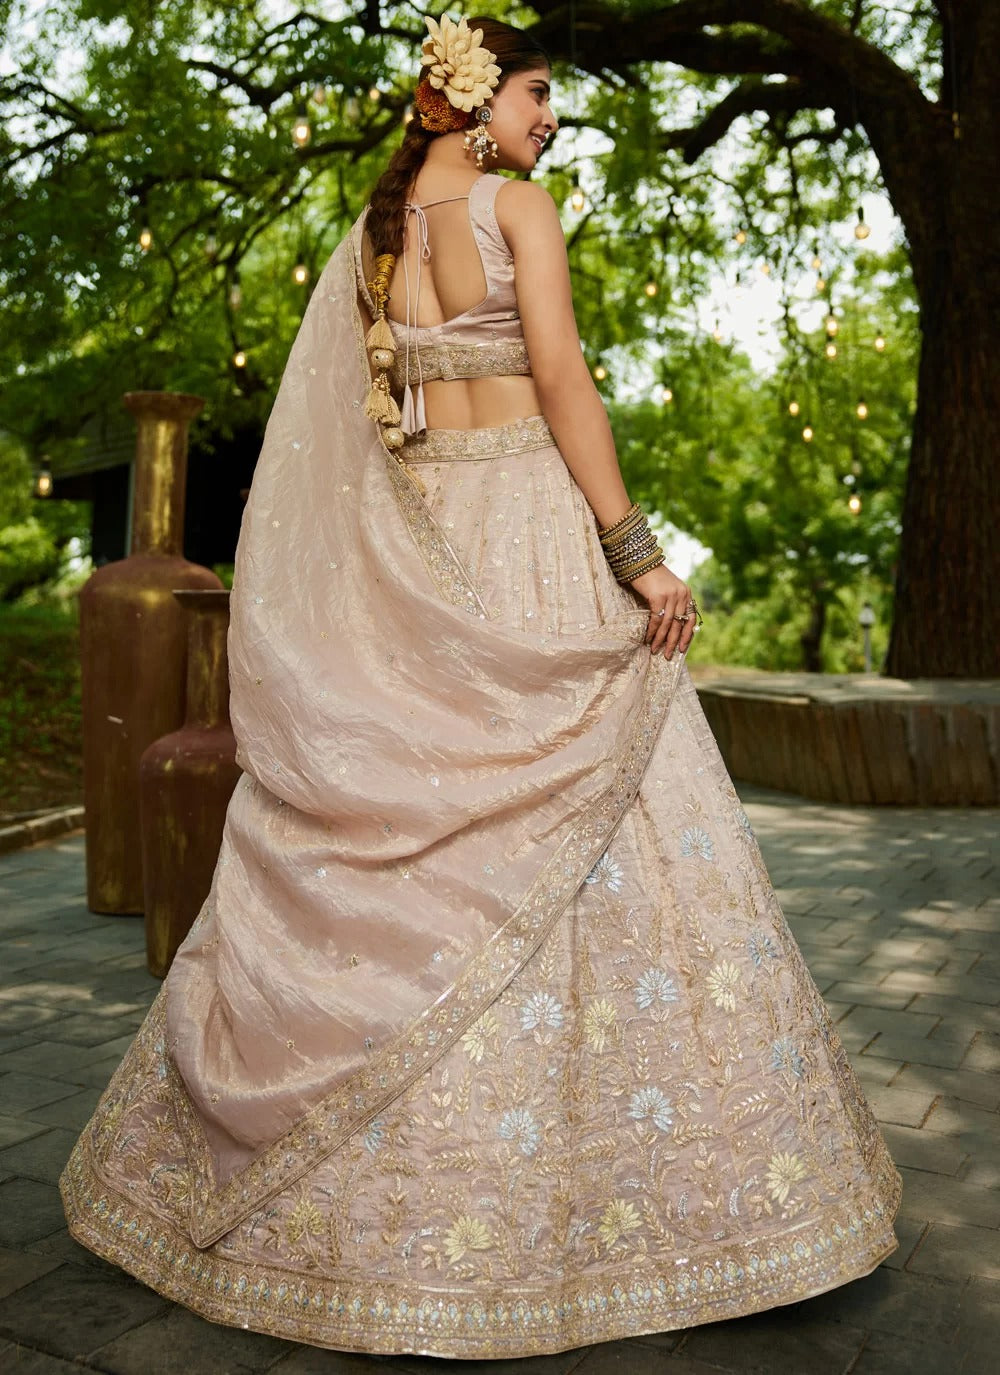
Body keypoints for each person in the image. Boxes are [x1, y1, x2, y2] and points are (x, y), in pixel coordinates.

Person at [61, 14, 900, 1360]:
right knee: (602, 823)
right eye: (536, 91)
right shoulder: (523, 209)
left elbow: (366, 434)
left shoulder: (374, 241)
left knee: (427, 834)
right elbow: (559, 378)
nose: (550, 115)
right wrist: (637, 551)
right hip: (532, 532)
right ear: (474, 99)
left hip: (427, 551)